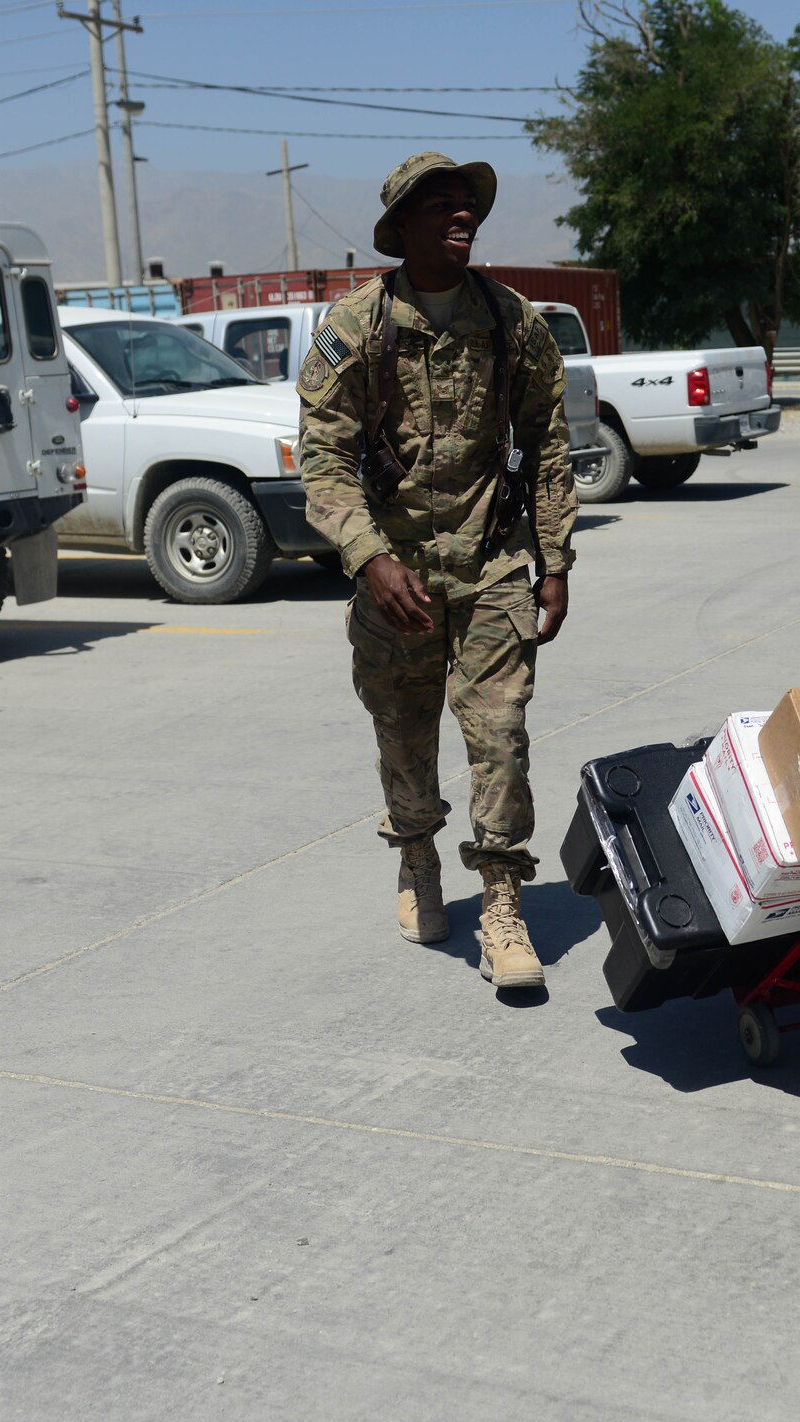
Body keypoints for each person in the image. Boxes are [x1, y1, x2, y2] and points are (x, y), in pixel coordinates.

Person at [298, 152, 576, 990]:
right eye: (443, 205)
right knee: (405, 737)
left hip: (491, 564)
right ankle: (417, 859)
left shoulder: (512, 321)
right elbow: (323, 456)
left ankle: (501, 905)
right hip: (397, 578)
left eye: (469, 204)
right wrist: (370, 558)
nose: (463, 216)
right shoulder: (356, 328)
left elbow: (549, 441)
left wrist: (554, 557)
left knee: (500, 734)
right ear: (403, 226)